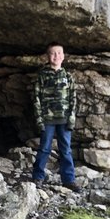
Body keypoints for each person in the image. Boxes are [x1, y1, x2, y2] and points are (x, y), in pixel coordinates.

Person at [31, 42, 80, 192]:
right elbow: (36, 98)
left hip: (64, 120)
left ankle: (68, 180)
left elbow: (73, 99)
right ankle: (38, 177)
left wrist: (71, 119)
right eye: (53, 53)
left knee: (65, 150)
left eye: (59, 53)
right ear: (48, 56)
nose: (56, 56)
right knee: (44, 148)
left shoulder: (68, 76)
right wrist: (39, 119)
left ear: (63, 56)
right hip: (47, 119)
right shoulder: (42, 76)